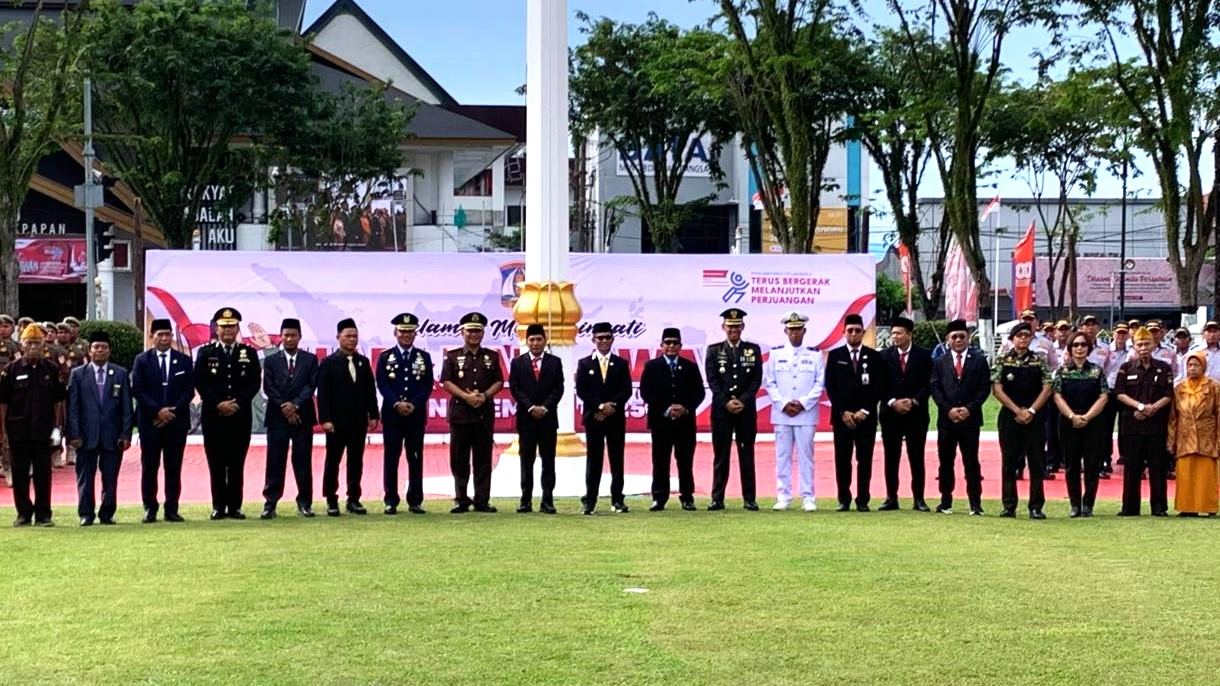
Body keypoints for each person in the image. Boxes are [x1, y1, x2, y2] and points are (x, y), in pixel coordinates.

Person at [194, 307, 262, 520]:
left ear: (238, 328)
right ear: (216, 329)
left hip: (239, 417)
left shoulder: (248, 353)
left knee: (236, 463)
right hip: (214, 417)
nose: (227, 331)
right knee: (216, 463)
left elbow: (253, 384)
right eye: (223, 327)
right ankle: (218, 506)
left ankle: (235, 506)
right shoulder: (206, 353)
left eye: (232, 326)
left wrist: (237, 403)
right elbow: (201, 382)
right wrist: (218, 404)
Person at [0, 324, 67, 525]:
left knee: (43, 474)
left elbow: (58, 402)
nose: (33, 347)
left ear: (43, 345)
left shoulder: (51, 369)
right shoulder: (10, 370)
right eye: (29, 343)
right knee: (20, 474)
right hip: (18, 430)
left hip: (43, 431)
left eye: (37, 343)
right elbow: (3, 403)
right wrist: (3, 431)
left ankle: (43, 514)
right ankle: (23, 513)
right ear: (22, 344)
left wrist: (57, 429)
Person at [65, 331, 132, 526]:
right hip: (86, 435)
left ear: (109, 351)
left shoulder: (120, 373)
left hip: (113, 436)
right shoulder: (78, 374)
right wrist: (74, 434)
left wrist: (126, 433)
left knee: (110, 478)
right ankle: (86, 514)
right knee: (85, 477)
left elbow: (127, 407)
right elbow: (73, 407)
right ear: (89, 350)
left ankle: (107, 513)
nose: (99, 350)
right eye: (96, 347)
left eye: (103, 347)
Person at [131, 318, 194, 523]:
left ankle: (171, 508)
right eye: (160, 335)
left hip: (176, 423)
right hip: (150, 422)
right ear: (152, 337)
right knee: (150, 467)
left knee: (173, 467)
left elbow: (188, 391)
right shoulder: (142, 360)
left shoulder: (183, 360)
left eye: (168, 334)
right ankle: (150, 507)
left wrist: (170, 412)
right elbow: (138, 390)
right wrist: (157, 411)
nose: (164, 338)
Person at [441, 312, 504, 513]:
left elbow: (499, 381)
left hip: (483, 414)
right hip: (460, 414)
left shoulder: (492, 356)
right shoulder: (452, 356)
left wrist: (484, 396)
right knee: (459, 459)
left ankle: (482, 500)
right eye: (470, 331)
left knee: (483, 459)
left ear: (483, 333)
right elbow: (446, 382)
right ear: (462, 332)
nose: (474, 335)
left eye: (478, 331)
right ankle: (461, 499)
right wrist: (466, 397)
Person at [316, 318, 379, 517]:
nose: (352, 340)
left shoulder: (363, 362)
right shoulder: (328, 363)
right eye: (348, 336)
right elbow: (323, 394)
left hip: (358, 421)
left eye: (354, 336)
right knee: (333, 461)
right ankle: (331, 499)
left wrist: (373, 415)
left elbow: (370, 391)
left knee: (355, 461)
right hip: (335, 422)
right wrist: (325, 419)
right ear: (338, 338)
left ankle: (353, 499)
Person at [763, 311, 824, 512]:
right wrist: (784, 403)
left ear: (804, 331)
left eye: (798, 330)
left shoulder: (815, 355)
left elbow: (819, 384)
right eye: (791, 330)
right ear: (785, 331)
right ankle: (784, 495)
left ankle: (808, 497)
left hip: (806, 414)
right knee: (782, 456)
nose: (795, 334)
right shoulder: (775, 354)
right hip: (782, 413)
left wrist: (802, 403)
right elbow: (769, 383)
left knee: (806, 456)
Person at [639, 327, 705, 511]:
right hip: (661, 422)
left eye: (675, 343)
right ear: (661, 345)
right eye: (667, 343)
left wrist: (685, 408)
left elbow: (698, 392)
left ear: (681, 345)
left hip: (685, 422)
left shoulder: (690, 366)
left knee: (685, 461)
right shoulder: (651, 366)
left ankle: (687, 497)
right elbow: (646, 392)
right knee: (660, 461)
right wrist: (666, 408)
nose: (671, 346)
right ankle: (659, 498)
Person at [991, 322, 1053, 519]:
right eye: (1019, 336)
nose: (1023, 339)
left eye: (1027, 336)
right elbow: (997, 388)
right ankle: (1009, 505)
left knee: (1036, 462)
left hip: (1035, 416)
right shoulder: (1003, 360)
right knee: (1009, 462)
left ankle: (1036, 506)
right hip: (1010, 416)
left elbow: (1047, 387)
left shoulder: (1039, 360)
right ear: (1012, 339)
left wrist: (1032, 410)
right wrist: (1017, 410)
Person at [704, 308, 763, 511]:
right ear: (723, 327)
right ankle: (717, 498)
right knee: (721, 456)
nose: (734, 330)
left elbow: (756, 380)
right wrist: (726, 402)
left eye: (737, 326)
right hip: (722, 411)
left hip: (745, 411)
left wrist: (743, 401)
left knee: (747, 455)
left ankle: (749, 498)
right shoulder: (714, 350)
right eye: (730, 326)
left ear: (743, 327)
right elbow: (712, 381)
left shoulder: (752, 350)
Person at [930, 319, 990, 515]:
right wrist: (948, 409)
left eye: (961, 336)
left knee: (971, 462)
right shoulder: (940, 361)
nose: (958, 340)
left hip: (970, 420)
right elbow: (936, 388)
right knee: (945, 462)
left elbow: (984, 389)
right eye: (954, 337)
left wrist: (969, 409)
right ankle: (945, 501)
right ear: (948, 339)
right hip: (947, 421)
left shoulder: (979, 360)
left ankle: (975, 503)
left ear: (968, 338)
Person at [260, 318, 319, 519]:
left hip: (302, 417)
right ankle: (270, 503)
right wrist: (285, 406)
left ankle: (305, 503)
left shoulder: (310, 360)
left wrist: (295, 405)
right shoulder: (271, 360)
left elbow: (311, 386)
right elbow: (269, 387)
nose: (289, 338)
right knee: (275, 461)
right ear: (281, 336)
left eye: (293, 335)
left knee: (303, 461)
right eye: (286, 335)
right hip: (277, 417)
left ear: (300, 337)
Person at [375, 313, 433, 515]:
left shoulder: (423, 357)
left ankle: (415, 500)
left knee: (415, 458)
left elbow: (427, 385)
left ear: (416, 333)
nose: (407, 335)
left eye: (410, 331)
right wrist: (396, 403)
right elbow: (382, 384)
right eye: (403, 331)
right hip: (392, 416)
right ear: (395, 332)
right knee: (391, 458)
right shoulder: (385, 357)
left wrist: (413, 404)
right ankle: (391, 500)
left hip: (415, 416)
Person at [824, 314, 882, 512]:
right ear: (844, 333)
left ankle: (863, 500)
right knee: (843, 460)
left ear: (863, 333)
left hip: (865, 418)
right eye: (850, 330)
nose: (854, 334)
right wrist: (843, 411)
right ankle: (844, 499)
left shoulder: (874, 357)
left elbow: (877, 388)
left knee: (864, 460)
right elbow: (830, 387)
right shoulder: (835, 355)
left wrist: (864, 411)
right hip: (843, 418)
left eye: (858, 330)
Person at [1114, 327, 1174, 516]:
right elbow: (1119, 393)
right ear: (1134, 346)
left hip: (1156, 424)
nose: (1143, 348)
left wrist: (1153, 408)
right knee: (1132, 468)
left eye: (1147, 344)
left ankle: (1159, 507)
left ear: (1154, 345)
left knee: (1158, 468)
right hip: (1133, 423)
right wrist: (1140, 407)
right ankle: (1130, 508)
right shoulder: (1126, 367)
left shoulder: (1164, 367)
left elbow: (1169, 394)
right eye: (1139, 344)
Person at [1052, 331, 1110, 518]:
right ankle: (1075, 504)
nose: (1079, 348)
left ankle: (1088, 504)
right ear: (1070, 348)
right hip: (1068, 422)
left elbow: (1103, 396)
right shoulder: (1062, 371)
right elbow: (1057, 396)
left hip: (1092, 422)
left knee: (1092, 465)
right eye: (1075, 345)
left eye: (1083, 345)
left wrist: (1086, 417)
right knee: (1071, 465)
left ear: (1089, 348)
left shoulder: (1096, 371)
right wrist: (1072, 416)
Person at [577, 322, 632, 515]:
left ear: (613, 339)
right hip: (594, 418)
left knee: (617, 459)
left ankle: (617, 499)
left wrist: (611, 407)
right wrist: (599, 407)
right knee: (594, 459)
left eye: (607, 337)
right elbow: (582, 390)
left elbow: (626, 390)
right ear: (593, 340)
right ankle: (590, 500)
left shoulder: (621, 363)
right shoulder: (584, 363)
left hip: (615, 418)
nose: (603, 341)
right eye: (600, 338)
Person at [508, 323, 564, 514]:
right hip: (527, 419)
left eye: (539, 339)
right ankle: (526, 500)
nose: (535, 343)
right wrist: (531, 407)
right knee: (527, 461)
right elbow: (515, 388)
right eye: (532, 339)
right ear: (526, 341)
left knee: (548, 461)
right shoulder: (518, 362)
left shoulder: (554, 362)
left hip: (548, 419)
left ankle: (547, 500)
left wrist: (545, 407)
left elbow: (559, 388)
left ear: (545, 340)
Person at [878, 316, 932, 512]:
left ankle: (919, 498)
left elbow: (929, 383)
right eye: (893, 333)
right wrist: (892, 402)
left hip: (915, 414)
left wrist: (914, 400)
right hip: (890, 414)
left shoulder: (924, 356)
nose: (895, 337)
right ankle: (891, 497)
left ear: (909, 334)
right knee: (891, 457)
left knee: (916, 457)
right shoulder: (883, 356)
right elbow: (879, 385)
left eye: (899, 333)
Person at [1168, 350, 1220, 516]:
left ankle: (1209, 507)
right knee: (1185, 473)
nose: (1192, 368)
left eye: (1196, 365)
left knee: (1206, 475)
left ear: (1203, 366)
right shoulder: (1179, 388)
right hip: (1185, 436)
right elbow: (1173, 417)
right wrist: (1171, 440)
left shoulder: (1213, 386)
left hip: (1207, 435)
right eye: (1190, 365)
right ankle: (1187, 507)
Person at [0, 314, 18, 485]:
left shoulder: (16, 347)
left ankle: (8, 468)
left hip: (6, 396)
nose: (3, 329)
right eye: (0, 326)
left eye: (6, 326)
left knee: (5, 433)